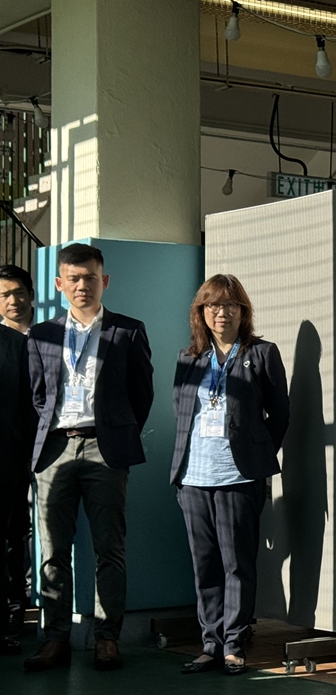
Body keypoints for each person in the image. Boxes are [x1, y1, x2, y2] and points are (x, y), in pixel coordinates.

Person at [24, 244, 154, 672]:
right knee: (52, 551)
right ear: (60, 284)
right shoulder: (42, 334)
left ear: (105, 281)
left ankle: (107, 639)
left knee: (108, 549)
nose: (82, 286)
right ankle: (55, 639)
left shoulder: (128, 331)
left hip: (105, 447)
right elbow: (38, 395)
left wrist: (116, 430)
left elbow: (142, 393)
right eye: (74, 279)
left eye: (90, 278)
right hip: (55, 449)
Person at [171, 274, 289, 676]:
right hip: (194, 477)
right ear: (201, 313)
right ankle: (210, 643)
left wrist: (257, 455)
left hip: (239, 477)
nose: (221, 313)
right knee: (204, 564)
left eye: (230, 305)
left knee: (237, 563)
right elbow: (182, 413)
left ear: (243, 311)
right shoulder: (189, 358)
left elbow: (281, 414)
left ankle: (235, 644)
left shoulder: (261, 353)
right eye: (213, 306)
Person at [0, 264, 35, 647]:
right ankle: (11, 614)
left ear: (31, 293)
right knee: (9, 535)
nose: (12, 300)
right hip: (6, 455)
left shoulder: (50, 337)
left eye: (18, 292)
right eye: (4, 294)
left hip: (50, 450)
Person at [0, 264, 34, 334]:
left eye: (19, 293)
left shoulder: (54, 328)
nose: (13, 301)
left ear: (31, 295)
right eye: (5, 295)